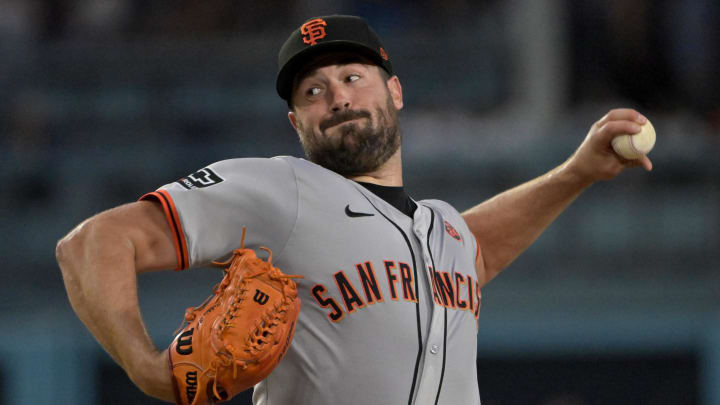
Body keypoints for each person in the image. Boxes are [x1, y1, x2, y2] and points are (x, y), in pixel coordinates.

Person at [56, 15, 653, 405]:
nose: (337, 96)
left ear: (394, 92)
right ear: (296, 123)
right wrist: (145, 367)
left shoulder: (441, 228)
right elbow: (90, 244)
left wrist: (575, 174)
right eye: (313, 91)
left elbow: (476, 249)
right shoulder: (279, 188)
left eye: (352, 76)